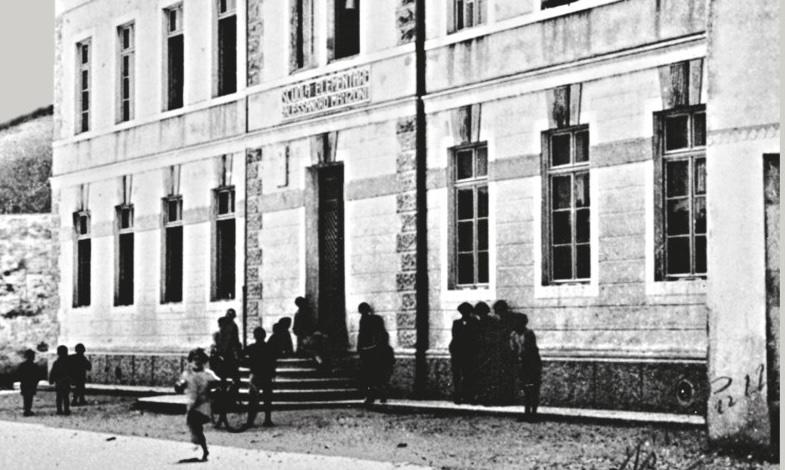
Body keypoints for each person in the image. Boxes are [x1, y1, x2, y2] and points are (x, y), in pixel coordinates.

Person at [175, 348, 219, 462]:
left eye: (200, 359)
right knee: (196, 427)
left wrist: (213, 389)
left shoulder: (208, 374)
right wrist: (179, 385)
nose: (197, 361)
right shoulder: (188, 374)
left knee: (193, 420)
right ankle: (204, 449)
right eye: (195, 359)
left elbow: (219, 384)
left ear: (204, 360)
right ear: (191, 360)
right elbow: (180, 384)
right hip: (192, 403)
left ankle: (201, 445)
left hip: (204, 405)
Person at [357, 302, 392, 405]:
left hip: (372, 352)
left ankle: (373, 396)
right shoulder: (374, 319)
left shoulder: (370, 320)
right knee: (376, 376)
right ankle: (380, 396)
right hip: (373, 352)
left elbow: (364, 336)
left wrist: (362, 348)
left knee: (371, 376)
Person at [509, 314, 542, 420]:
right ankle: (527, 412)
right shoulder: (513, 335)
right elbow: (513, 349)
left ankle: (533, 413)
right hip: (521, 365)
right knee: (525, 389)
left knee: (533, 389)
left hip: (531, 364)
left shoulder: (529, 334)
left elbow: (531, 350)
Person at [242, 327, 276, 427]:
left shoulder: (251, 347)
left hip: (255, 375)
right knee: (267, 398)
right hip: (266, 375)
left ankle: (250, 421)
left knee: (252, 399)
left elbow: (241, 355)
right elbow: (273, 361)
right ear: (265, 336)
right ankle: (267, 419)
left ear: (254, 336)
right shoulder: (269, 347)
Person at [493, 300, 524, 405]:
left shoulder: (510, 320)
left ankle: (508, 398)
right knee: (503, 377)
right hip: (502, 353)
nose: (499, 314)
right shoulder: (501, 321)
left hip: (510, 352)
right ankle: (504, 398)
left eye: (499, 311)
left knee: (508, 376)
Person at [475, 301, 504, 405]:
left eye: (481, 313)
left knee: (491, 376)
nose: (480, 315)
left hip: (491, 352)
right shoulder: (478, 323)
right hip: (482, 353)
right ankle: (484, 397)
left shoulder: (492, 322)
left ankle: (491, 398)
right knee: (483, 376)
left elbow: (495, 336)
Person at [449, 302, 479, 404]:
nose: (464, 313)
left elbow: (475, 338)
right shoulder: (456, 323)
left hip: (469, 353)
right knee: (457, 376)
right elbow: (454, 337)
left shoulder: (474, 322)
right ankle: (457, 396)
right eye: (462, 312)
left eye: (467, 311)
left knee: (469, 375)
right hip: (458, 353)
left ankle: (469, 396)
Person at [49, 345, 71, 415]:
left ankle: (59, 410)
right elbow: (72, 371)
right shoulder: (68, 362)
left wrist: (51, 380)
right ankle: (66, 410)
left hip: (58, 381)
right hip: (66, 381)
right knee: (66, 397)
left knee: (59, 397)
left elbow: (53, 372)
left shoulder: (56, 362)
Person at [17, 349, 40, 416]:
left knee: (26, 397)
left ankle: (26, 410)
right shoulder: (34, 366)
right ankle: (28, 410)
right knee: (30, 398)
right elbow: (37, 376)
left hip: (24, 383)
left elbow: (19, 375)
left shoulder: (22, 365)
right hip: (31, 384)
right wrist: (36, 382)